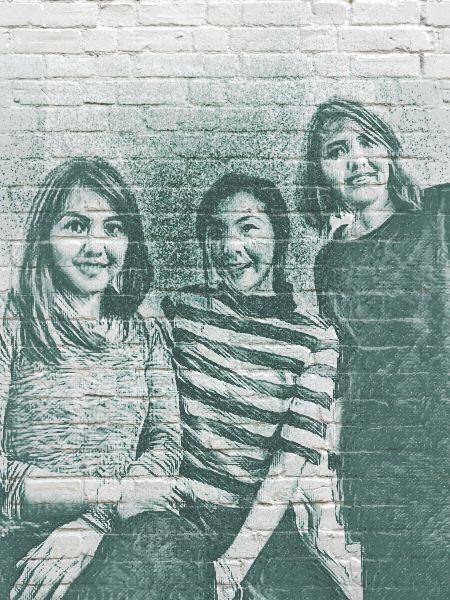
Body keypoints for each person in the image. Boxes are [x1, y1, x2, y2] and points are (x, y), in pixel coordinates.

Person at [0, 157, 192, 599]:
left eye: (113, 228)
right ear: (45, 236)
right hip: (25, 548)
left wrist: (95, 521)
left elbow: (165, 443)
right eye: (77, 226)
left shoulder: (146, 332)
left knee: (175, 542)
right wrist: (104, 494)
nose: (96, 246)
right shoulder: (12, 321)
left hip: (117, 536)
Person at [163, 173, 362, 600]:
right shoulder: (182, 310)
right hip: (182, 518)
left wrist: (233, 567)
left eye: (248, 227)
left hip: (263, 528)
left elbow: (288, 464)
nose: (230, 247)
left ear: (278, 236)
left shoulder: (315, 337)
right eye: (216, 232)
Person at [302, 98, 449, 600]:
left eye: (368, 142)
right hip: (379, 467)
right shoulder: (330, 262)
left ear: (390, 150)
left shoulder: (438, 212)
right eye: (337, 150)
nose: (357, 160)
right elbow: (344, 371)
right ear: (321, 173)